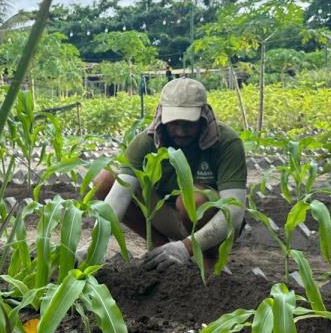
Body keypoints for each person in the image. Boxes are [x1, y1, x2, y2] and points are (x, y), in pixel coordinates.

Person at [92, 78, 247, 271]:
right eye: (174, 123)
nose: (181, 131)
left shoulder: (226, 142)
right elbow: (117, 198)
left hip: (213, 226)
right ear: (161, 115)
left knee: (194, 198)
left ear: (203, 116)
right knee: (104, 181)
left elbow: (234, 212)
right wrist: (94, 246)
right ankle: (160, 249)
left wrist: (185, 247)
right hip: (166, 217)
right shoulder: (145, 142)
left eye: (189, 123)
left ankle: (209, 259)